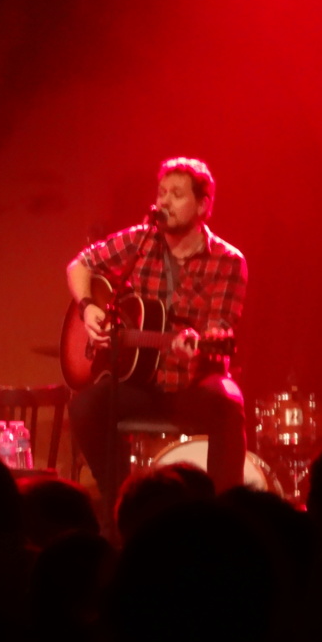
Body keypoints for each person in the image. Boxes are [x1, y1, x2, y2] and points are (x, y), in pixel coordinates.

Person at [66, 157, 247, 499]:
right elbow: (80, 264)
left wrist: (198, 341)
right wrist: (88, 307)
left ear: (203, 205)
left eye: (176, 194)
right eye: (161, 192)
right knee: (85, 407)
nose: (163, 201)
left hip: (194, 381)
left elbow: (221, 326)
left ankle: (224, 512)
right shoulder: (141, 241)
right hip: (142, 381)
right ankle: (121, 501)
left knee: (228, 403)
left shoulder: (228, 260)